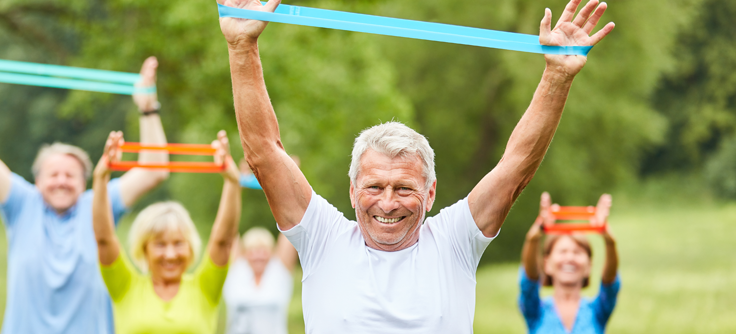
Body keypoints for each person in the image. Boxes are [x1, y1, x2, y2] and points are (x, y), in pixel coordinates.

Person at [215, 0, 615, 331]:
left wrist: (557, 77)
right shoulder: (324, 238)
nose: (387, 202)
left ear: (430, 192)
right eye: (374, 186)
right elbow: (265, 154)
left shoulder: (454, 241)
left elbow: (516, 168)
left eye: (404, 188)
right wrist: (240, 47)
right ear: (353, 190)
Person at [0, 43, 170, 333]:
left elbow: (155, 170)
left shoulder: (99, 204)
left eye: (70, 175)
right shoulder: (23, 203)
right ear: (37, 181)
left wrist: (148, 109)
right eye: (53, 174)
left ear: (85, 181)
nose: (61, 181)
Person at [92, 130, 241, 334]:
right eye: (160, 244)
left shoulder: (204, 287)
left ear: (190, 247)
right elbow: (104, 240)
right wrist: (101, 178)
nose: (170, 255)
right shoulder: (126, 286)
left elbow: (223, 241)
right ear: (144, 249)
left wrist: (232, 182)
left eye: (178, 243)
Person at [519, 192, 620, 334]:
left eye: (577, 252)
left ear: (588, 267)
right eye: (562, 252)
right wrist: (535, 235)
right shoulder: (536, 309)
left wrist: (609, 240)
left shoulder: (597, 310)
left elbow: (610, 282)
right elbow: (529, 279)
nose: (569, 258)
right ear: (547, 264)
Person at [223, 227, 298, 334]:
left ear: (272, 253)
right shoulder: (236, 271)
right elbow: (227, 231)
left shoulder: (280, 272)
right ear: (244, 253)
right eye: (252, 251)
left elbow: (291, 227)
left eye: (263, 251)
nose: (258, 256)